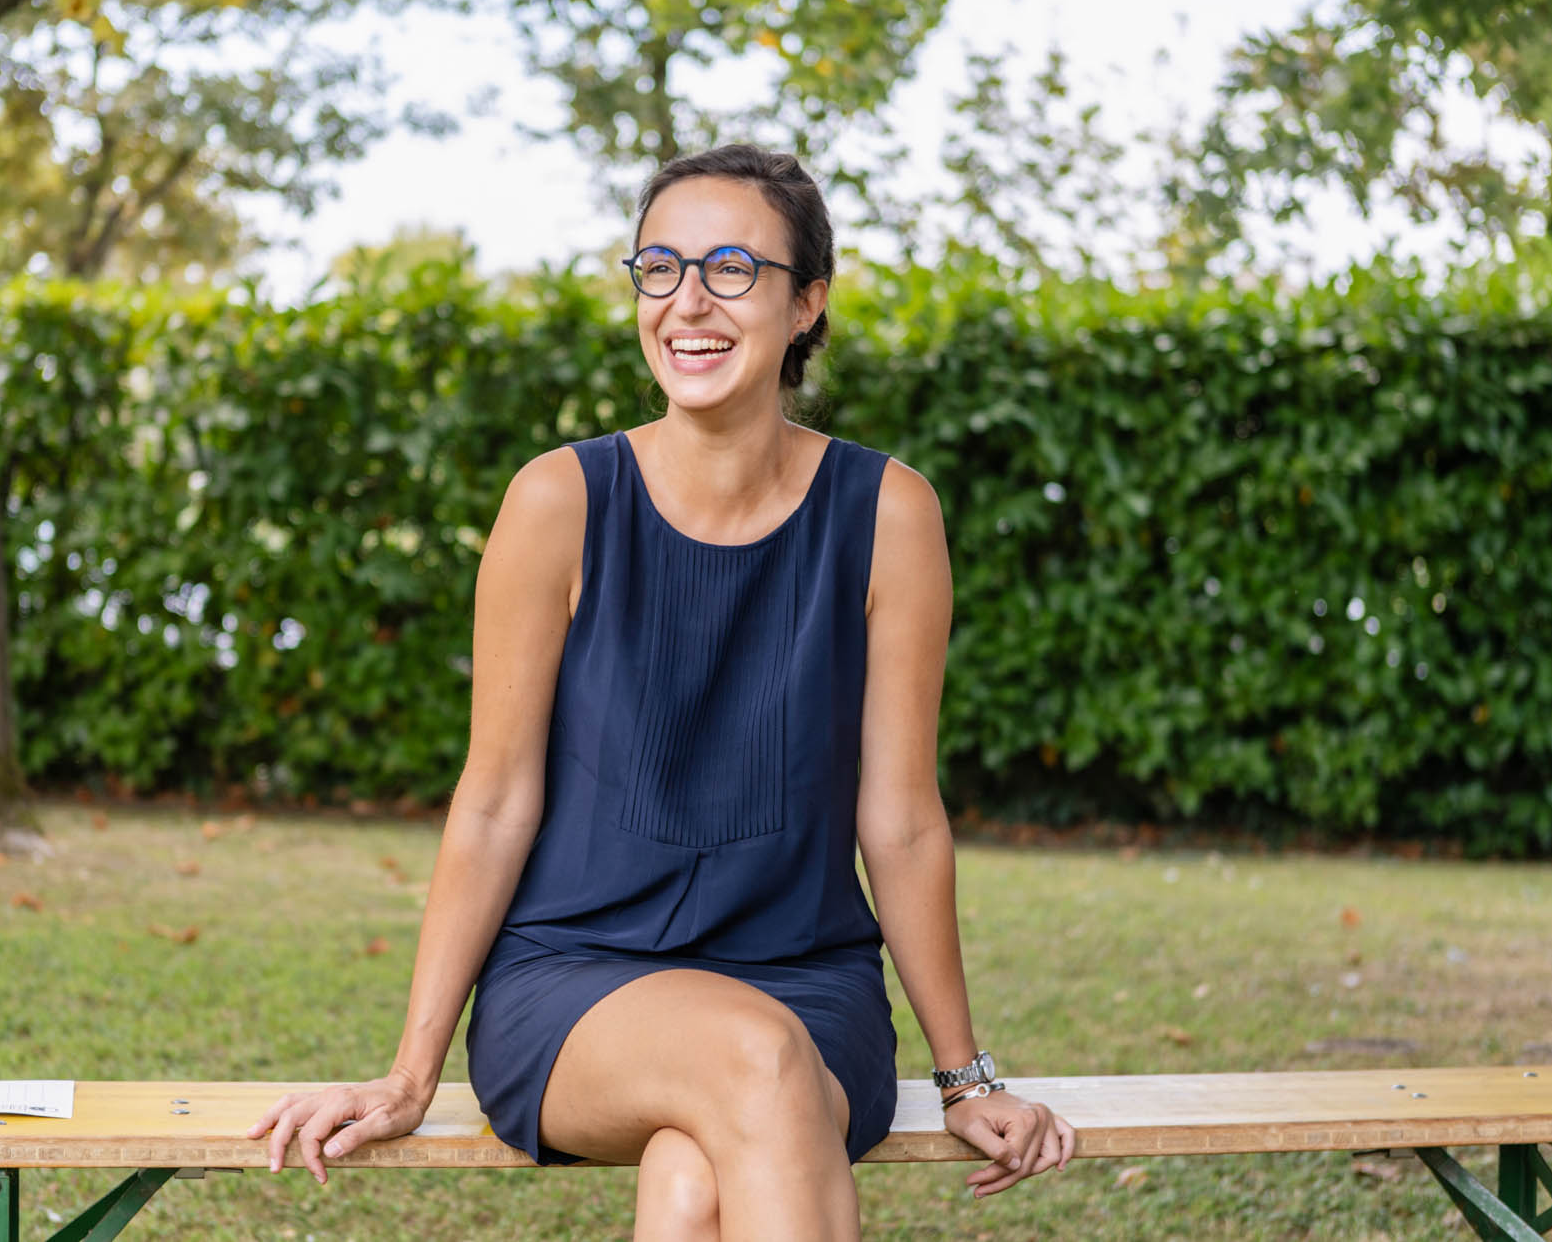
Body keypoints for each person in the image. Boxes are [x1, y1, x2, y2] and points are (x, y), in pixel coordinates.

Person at [246, 143, 1076, 1238]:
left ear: (804, 303)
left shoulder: (887, 513)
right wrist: (408, 1073)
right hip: (575, 985)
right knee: (751, 1062)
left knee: (694, 1179)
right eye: (659, 267)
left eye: (731, 268)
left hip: (808, 986)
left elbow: (902, 817)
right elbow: (493, 800)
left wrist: (964, 1075)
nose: (687, 301)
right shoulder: (558, 501)